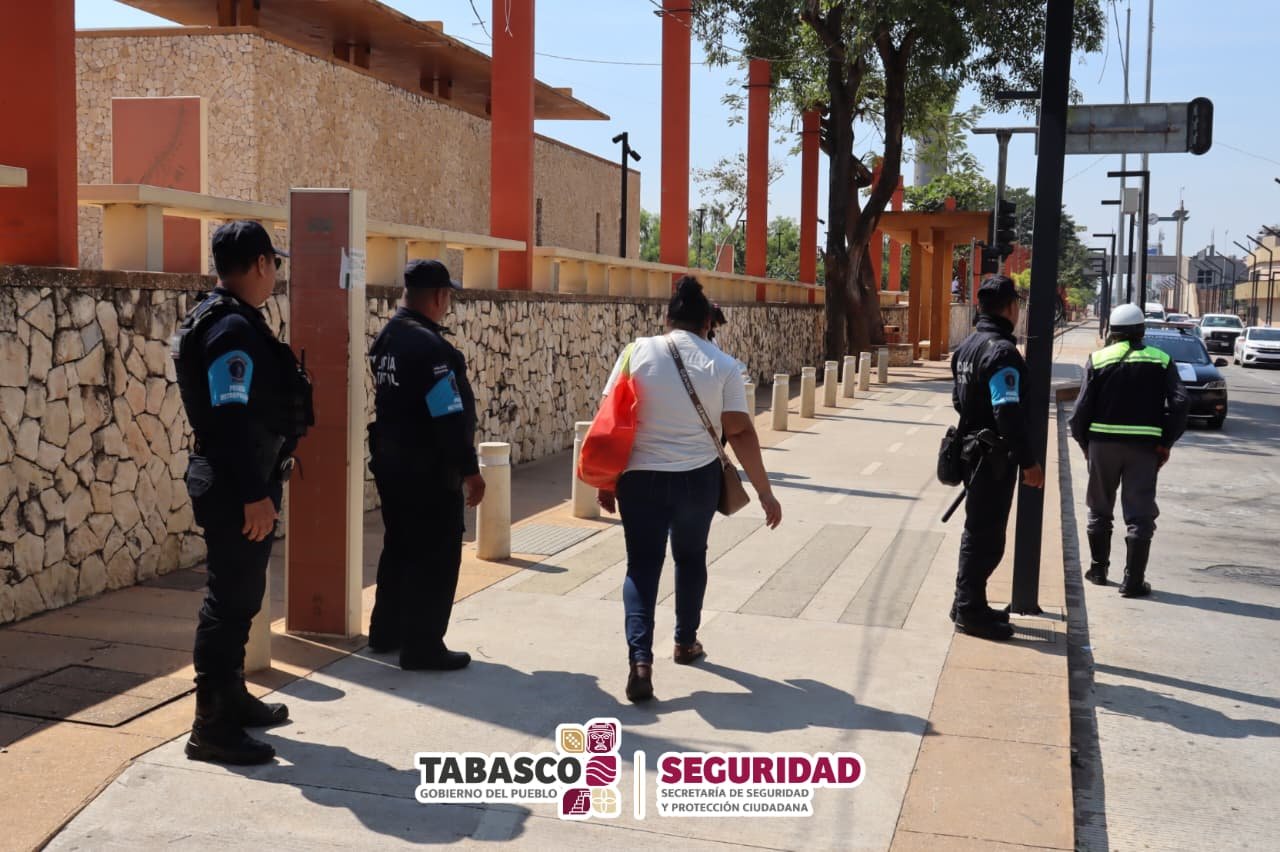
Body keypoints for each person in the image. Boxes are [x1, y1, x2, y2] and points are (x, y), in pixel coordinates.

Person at [596, 277, 782, 702]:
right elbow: (740, 433)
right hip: (697, 482)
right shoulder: (725, 365)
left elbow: (610, 418)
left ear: (666, 318)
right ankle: (685, 641)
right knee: (690, 556)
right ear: (706, 323)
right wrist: (766, 493)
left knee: (641, 567)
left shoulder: (635, 351)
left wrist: (607, 479)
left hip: (638, 480)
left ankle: (641, 661)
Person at [172, 221, 313, 764]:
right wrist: (255, 492)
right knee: (227, 604)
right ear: (259, 264)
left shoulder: (222, 318)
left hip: (237, 479)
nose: (274, 272)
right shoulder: (231, 329)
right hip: (237, 485)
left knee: (241, 599)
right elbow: (230, 418)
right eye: (273, 263)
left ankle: (231, 699)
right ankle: (211, 727)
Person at [367, 259, 485, 671]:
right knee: (435, 555)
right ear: (437, 296)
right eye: (448, 296)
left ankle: (386, 632)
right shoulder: (431, 347)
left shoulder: (387, 338)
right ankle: (423, 645)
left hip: (391, 463)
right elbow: (448, 416)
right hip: (428, 470)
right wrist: (470, 469)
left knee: (400, 545)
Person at [1068, 303, 1189, 597]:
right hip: (1144, 448)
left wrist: (1086, 444)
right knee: (1139, 514)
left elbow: (1080, 411)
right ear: (1141, 331)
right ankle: (1133, 581)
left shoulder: (1097, 359)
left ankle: (1098, 570)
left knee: (1099, 508)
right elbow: (1181, 403)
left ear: (1112, 332)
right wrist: (1165, 441)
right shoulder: (1161, 360)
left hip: (1102, 446)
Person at [948, 275, 1044, 641]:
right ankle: (970, 610)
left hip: (973, 450)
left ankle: (968, 602)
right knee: (986, 536)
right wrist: (1028, 460)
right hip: (992, 457)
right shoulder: (1002, 351)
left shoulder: (968, 346)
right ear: (1010, 307)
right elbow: (1007, 411)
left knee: (978, 530)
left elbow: (959, 400)